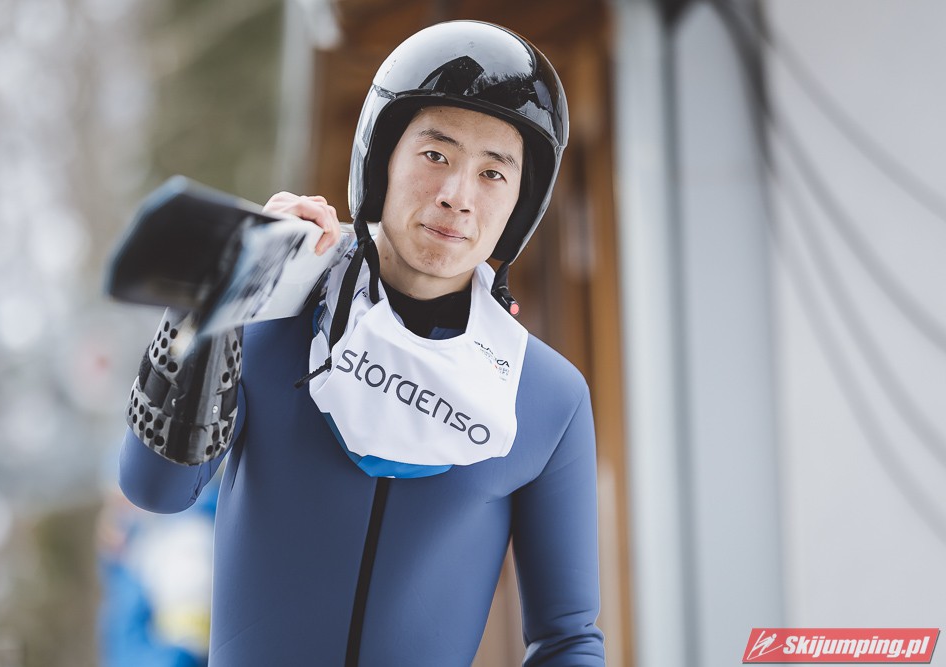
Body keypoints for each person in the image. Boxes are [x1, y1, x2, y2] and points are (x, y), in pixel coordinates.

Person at [119, 20, 605, 666]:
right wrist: (230, 287)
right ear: (381, 161)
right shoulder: (275, 315)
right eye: (436, 156)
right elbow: (154, 488)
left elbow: (568, 637)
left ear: (520, 203)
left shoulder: (546, 397)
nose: (457, 196)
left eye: (494, 173)